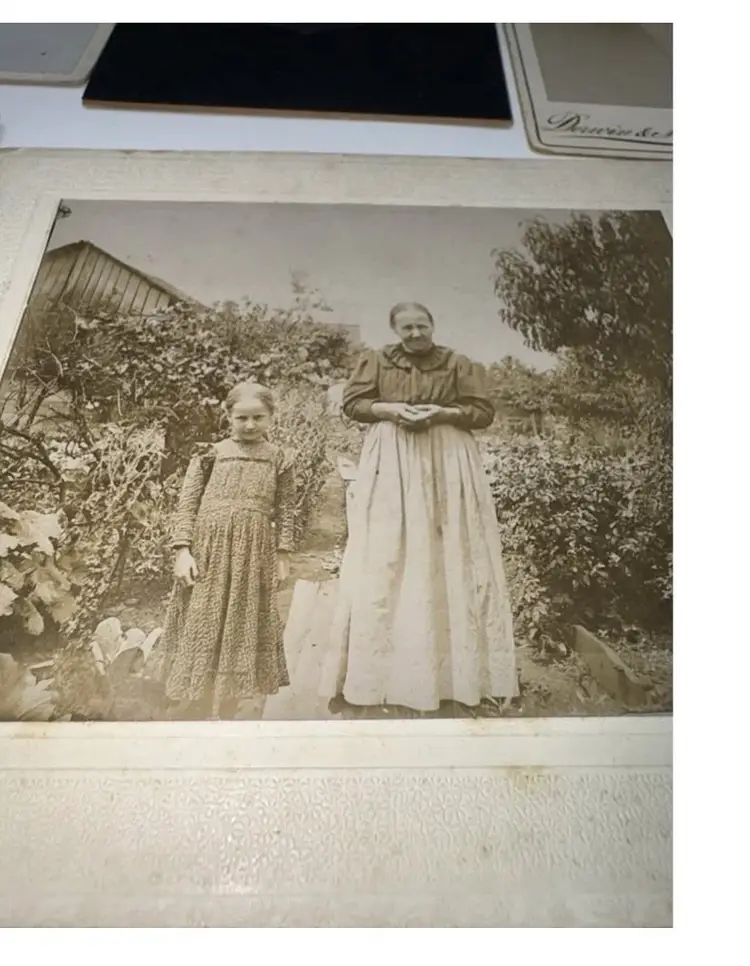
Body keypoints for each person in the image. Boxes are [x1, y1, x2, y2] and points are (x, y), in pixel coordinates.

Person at [319, 302, 518, 713]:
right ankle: (380, 678)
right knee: (387, 554)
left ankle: (458, 677)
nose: (415, 333)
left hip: (447, 458)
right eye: (407, 327)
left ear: (432, 324)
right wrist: (389, 409)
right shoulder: (376, 361)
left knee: (450, 552)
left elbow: (483, 412)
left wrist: (443, 412)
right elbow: (353, 404)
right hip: (391, 458)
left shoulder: (457, 362)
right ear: (395, 329)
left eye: (421, 325)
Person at [160, 380, 295, 720]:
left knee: (242, 618)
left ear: (271, 417)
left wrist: (283, 554)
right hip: (209, 550)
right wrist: (182, 551)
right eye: (241, 418)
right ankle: (194, 698)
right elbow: (187, 504)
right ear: (228, 417)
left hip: (253, 552)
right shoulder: (210, 454)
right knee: (203, 618)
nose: (249, 425)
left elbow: (286, 509)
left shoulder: (279, 459)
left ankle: (230, 698)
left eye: (258, 417)